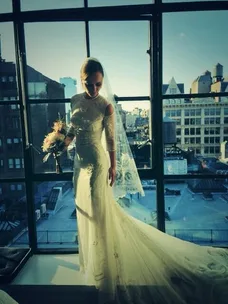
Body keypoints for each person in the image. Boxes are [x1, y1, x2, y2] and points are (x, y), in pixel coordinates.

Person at [64, 57, 228, 304]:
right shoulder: (74, 101)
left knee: (100, 214)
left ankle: (106, 270)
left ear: (102, 82)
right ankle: (93, 262)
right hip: (79, 165)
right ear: (81, 80)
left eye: (98, 84)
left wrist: (114, 167)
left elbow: (111, 140)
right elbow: (71, 132)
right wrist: (59, 144)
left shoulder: (105, 106)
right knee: (85, 211)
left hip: (98, 165)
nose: (94, 89)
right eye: (89, 84)